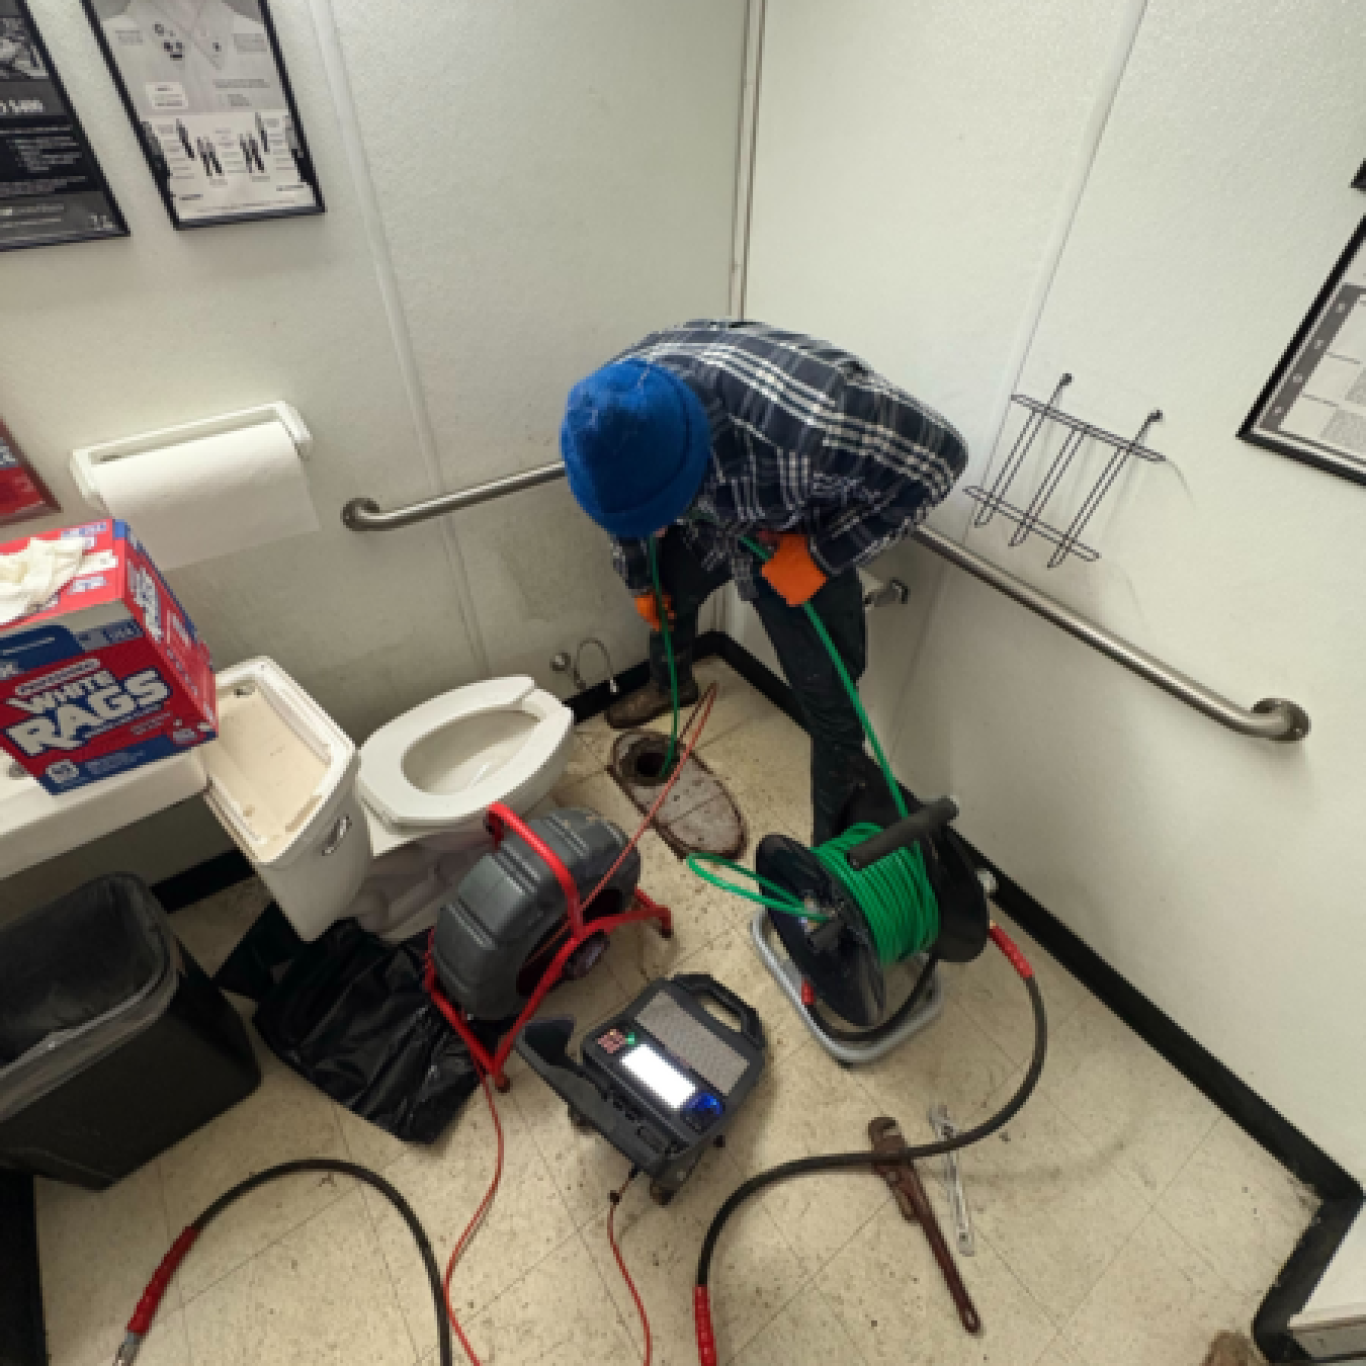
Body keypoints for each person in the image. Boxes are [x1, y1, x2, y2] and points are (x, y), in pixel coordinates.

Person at [560, 319, 968, 843]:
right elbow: (627, 512)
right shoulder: (609, 408)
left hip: (797, 538)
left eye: (661, 511)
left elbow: (941, 461)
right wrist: (640, 578)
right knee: (669, 598)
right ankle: (670, 683)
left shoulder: (818, 416)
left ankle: (832, 858)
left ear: (692, 461)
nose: (656, 529)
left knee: (830, 704)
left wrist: (822, 556)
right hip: (715, 522)